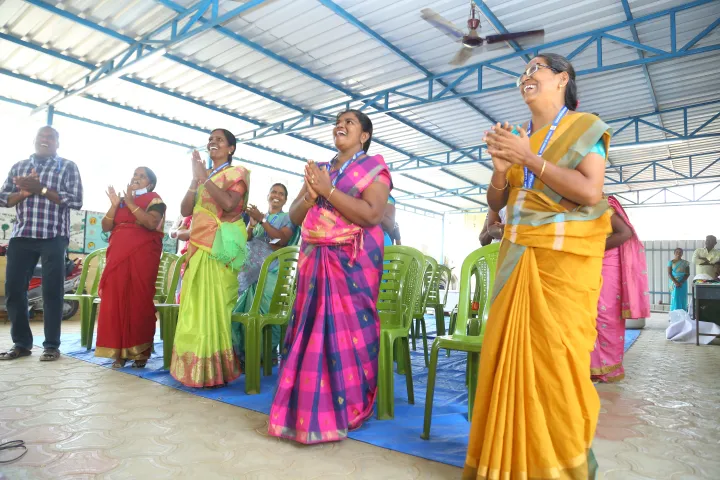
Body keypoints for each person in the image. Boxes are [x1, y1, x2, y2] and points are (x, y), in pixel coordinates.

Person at [464, 53, 612, 479]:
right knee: (504, 358)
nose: (526, 76)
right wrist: (499, 171)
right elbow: (499, 203)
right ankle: (504, 460)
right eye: (523, 72)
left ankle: (555, 466)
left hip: (560, 269)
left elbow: (589, 191)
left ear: (563, 79)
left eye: (536, 69)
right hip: (515, 260)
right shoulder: (520, 135)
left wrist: (529, 160)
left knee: (554, 366)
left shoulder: (586, 128)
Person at [268, 110, 391, 444]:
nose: (342, 124)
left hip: (352, 262)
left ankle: (348, 407)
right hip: (314, 259)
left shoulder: (375, 169)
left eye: (350, 122)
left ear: (364, 136)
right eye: (339, 120)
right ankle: (305, 406)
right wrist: (311, 194)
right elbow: (293, 217)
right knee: (309, 328)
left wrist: (329, 192)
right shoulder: (319, 170)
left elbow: (372, 214)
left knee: (347, 333)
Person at [169, 128, 250, 388]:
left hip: (220, 247)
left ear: (231, 149)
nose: (212, 142)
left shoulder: (237, 174)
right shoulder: (205, 175)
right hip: (198, 244)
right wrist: (196, 180)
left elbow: (229, 204)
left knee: (215, 306)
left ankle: (216, 370)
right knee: (194, 306)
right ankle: (194, 369)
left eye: (219, 140)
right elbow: (184, 209)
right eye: (210, 139)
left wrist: (204, 179)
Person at [0, 126, 83, 362]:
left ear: (58, 143)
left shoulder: (67, 166)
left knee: (52, 292)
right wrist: (24, 193)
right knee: (15, 291)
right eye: (41, 137)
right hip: (21, 235)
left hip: (53, 236)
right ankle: (22, 344)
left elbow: (76, 200)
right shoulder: (19, 166)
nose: (44, 140)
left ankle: (51, 346)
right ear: (34, 140)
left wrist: (43, 189)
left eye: (50, 137)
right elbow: (4, 197)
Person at [94, 167, 166, 368]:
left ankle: (140, 351)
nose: (136, 178)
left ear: (150, 184)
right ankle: (118, 351)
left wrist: (132, 203)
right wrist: (115, 205)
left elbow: (151, 223)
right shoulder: (122, 201)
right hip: (117, 256)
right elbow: (106, 226)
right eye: (135, 174)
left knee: (138, 300)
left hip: (142, 256)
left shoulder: (155, 199)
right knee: (114, 300)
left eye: (142, 176)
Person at [232, 183, 296, 366]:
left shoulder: (287, 218)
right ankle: (244, 356)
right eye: (274, 192)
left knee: (265, 314)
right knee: (241, 312)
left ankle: (264, 357)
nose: (277, 195)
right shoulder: (261, 218)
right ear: (268, 195)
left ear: (285, 199)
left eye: (281, 193)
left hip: (271, 273)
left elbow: (279, 240)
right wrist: (251, 226)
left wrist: (262, 220)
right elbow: (247, 239)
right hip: (248, 273)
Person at [590, 195, 650, 383]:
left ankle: (608, 369)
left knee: (606, 314)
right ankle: (592, 367)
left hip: (607, 263)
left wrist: (592, 248)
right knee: (590, 315)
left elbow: (625, 233)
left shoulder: (601, 204)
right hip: (590, 262)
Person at [169, 216, 191, 303]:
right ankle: (179, 310)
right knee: (178, 289)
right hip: (179, 257)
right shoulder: (182, 216)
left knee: (185, 289)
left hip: (191, 258)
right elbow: (171, 233)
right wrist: (178, 231)